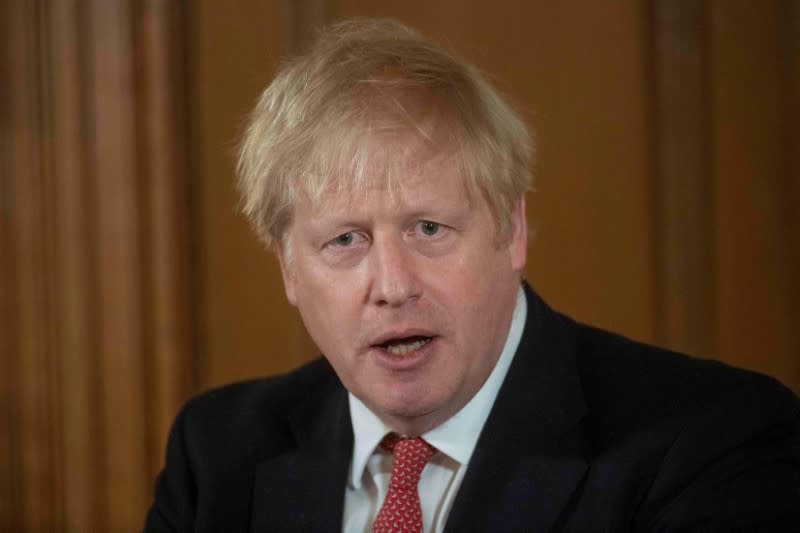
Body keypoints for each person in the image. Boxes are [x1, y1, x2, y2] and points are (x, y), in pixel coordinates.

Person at [145, 18, 800, 532]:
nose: (393, 284)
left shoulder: (712, 442)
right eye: (345, 239)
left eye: (429, 228)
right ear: (288, 266)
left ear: (511, 230)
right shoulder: (216, 454)